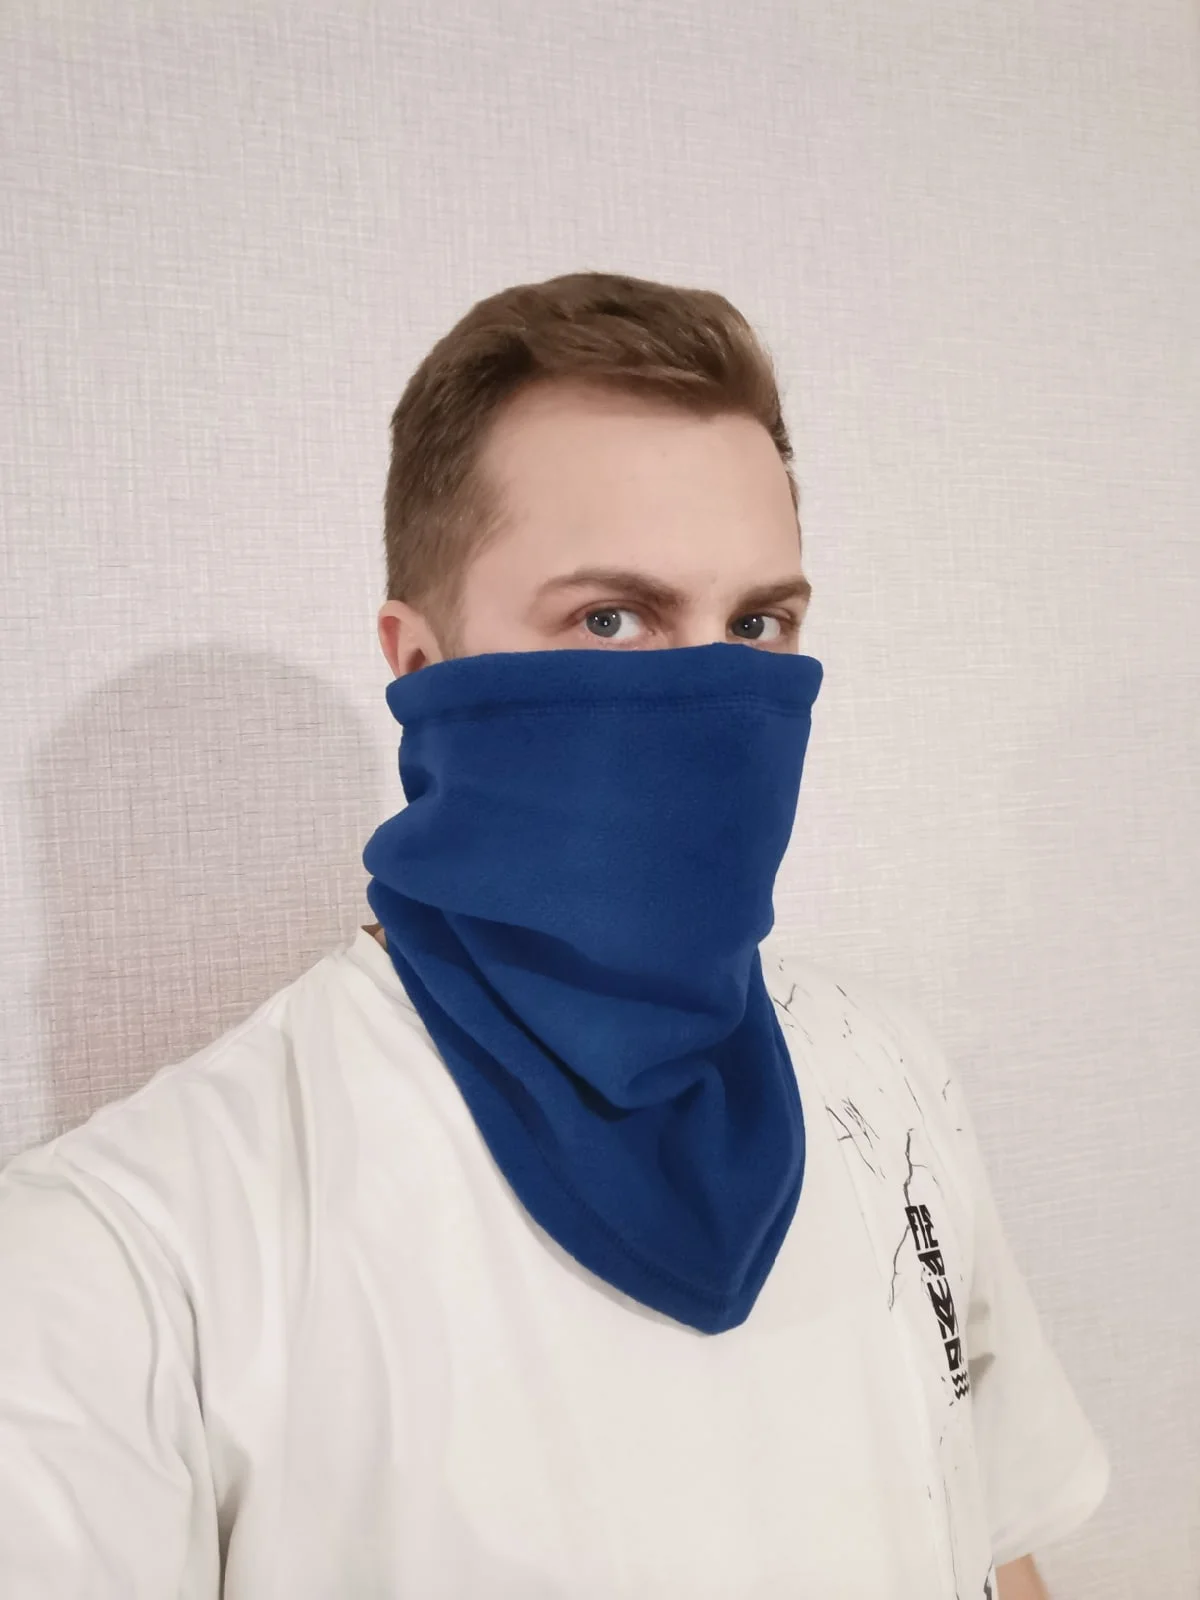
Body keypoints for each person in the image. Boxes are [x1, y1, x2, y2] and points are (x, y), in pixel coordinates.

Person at [0, 272, 1107, 1599]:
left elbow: (993, 1546)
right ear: (421, 666)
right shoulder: (129, 1254)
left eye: (758, 623)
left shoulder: (890, 1076)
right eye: (612, 618)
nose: (714, 688)